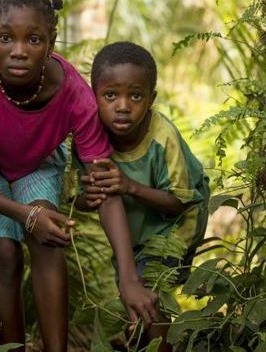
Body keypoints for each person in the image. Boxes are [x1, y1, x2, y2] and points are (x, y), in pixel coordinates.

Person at [0, 0, 157, 352]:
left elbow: (105, 186)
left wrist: (128, 278)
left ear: (51, 43)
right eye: (6, 38)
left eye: (34, 40)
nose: (19, 51)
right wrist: (24, 216)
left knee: (50, 238)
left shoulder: (76, 95)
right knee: (5, 255)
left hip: (37, 162)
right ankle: (11, 348)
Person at [75, 41, 210, 351]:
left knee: (148, 286)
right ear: (94, 95)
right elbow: (79, 199)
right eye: (110, 96)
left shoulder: (163, 137)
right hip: (133, 233)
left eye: (135, 96)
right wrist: (89, 196)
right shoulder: (89, 134)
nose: (123, 106)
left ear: (151, 99)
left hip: (176, 225)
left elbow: (180, 201)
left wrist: (129, 186)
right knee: (131, 291)